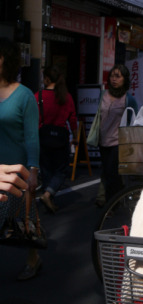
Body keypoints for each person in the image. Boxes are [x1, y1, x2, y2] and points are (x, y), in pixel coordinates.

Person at [0, 37, 41, 280]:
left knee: (26, 223)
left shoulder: (25, 96)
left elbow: (31, 137)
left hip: (17, 171)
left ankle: (34, 258)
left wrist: (33, 170)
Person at [35, 66, 77, 213]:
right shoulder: (66, 96)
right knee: (61, 170)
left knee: (46, 169)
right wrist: (76, 136)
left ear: (46, 78)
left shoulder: (38, 96)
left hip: (43, 136)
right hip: (61, 138)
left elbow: (33, 118)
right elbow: (72, 119)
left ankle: (48, 196)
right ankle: (48, 195)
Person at [96, 64, 138, 204]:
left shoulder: (128, 99)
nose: (114, 79)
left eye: (118, 76)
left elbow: (134, 119)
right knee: (108, 172)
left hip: (118, 142)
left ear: (125, 79)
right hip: (103, 141)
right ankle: (117, 196)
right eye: (112, 76)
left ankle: (110, 204)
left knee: (112, 173)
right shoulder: (103, 95)